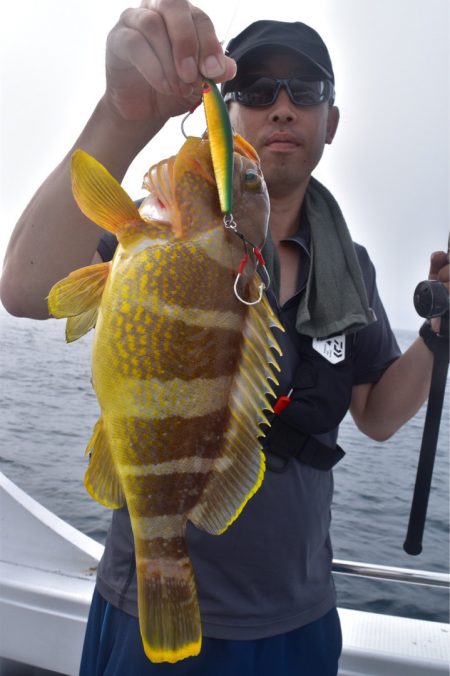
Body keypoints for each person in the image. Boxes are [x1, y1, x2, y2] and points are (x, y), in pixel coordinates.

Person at [1, 2, 448, 675]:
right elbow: (27, 287)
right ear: (226, 113)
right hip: (139, 601)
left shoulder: (349, 268)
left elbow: (379, 415)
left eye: (306, 91)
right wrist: (126, 114)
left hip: (301, 617)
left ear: (331, 121)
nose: (282, 107)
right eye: (257, 89)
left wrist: (439, 333)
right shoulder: (152, 240)